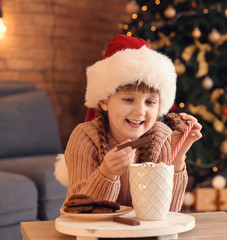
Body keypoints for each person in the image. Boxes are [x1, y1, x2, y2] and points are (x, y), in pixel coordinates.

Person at [61, 35, 202, 212]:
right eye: (128, 99)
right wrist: (106, 173)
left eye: (150, 102)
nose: (140, 111)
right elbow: (79, 212)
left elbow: (168, 213)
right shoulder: (85, 137)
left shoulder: (162, 137)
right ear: (104, 101)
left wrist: (178, 156)